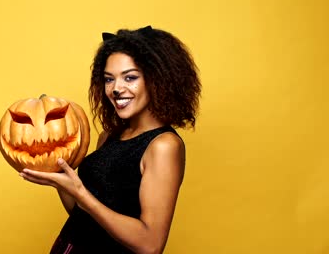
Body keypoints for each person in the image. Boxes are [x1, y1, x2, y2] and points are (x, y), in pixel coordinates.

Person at [20, 25, 201, 254]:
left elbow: (150, 245)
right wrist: (59, 176)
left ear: (157, 80)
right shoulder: (110, 135)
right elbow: (85, 217)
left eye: (130, 77)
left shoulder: (164, 146)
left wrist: (80, 192)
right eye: (108, 79)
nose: (116, 89)